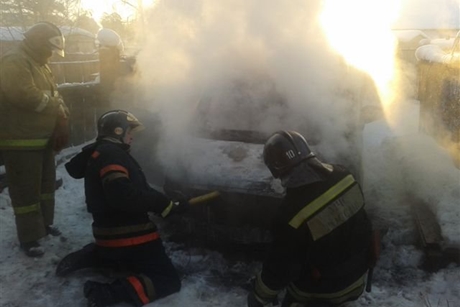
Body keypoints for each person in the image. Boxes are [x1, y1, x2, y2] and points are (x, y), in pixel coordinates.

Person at [56, 110, 187, 307]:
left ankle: (100, 256)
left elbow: (133, 190)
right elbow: (122, 196)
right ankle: (106, 293)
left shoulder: (103, 151)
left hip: (111, 235)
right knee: (167, 280)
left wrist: (167, 203)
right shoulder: (112, 155)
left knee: (125, 260)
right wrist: (160, 203)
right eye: (129, 131)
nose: (132, 136)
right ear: (118, 131)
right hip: (130, 237)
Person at [247, 130, 374, 307]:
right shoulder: (345, 176)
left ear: (276, 170)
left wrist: (259, 296)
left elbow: (280, 268)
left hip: (321, 290)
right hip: (358, 277)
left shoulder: (290, 214)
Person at [0, 21, 69, 257]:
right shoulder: (14, 60)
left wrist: (62, 116)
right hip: (21, 142)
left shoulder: (41, 64)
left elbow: (55, 95)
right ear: (39, 43)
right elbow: (22, 93)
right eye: (49, 49)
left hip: (42, 140)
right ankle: (29, 238)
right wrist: (55, 109)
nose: (52, 54)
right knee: (26, 192)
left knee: (45, 188)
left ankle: (44, 226)